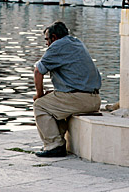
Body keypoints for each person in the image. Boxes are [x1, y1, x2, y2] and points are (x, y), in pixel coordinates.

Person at [33, 21, 101, 157]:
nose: (46, 44)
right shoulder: (76, 42)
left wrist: (39, 95)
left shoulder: (57, 45)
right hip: (94, 99)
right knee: (51, 101)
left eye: (47, 40)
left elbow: (38, 72)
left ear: (54, 37)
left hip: (78, 99)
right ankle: (58, 140)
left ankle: (54, 145)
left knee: (40, 105)